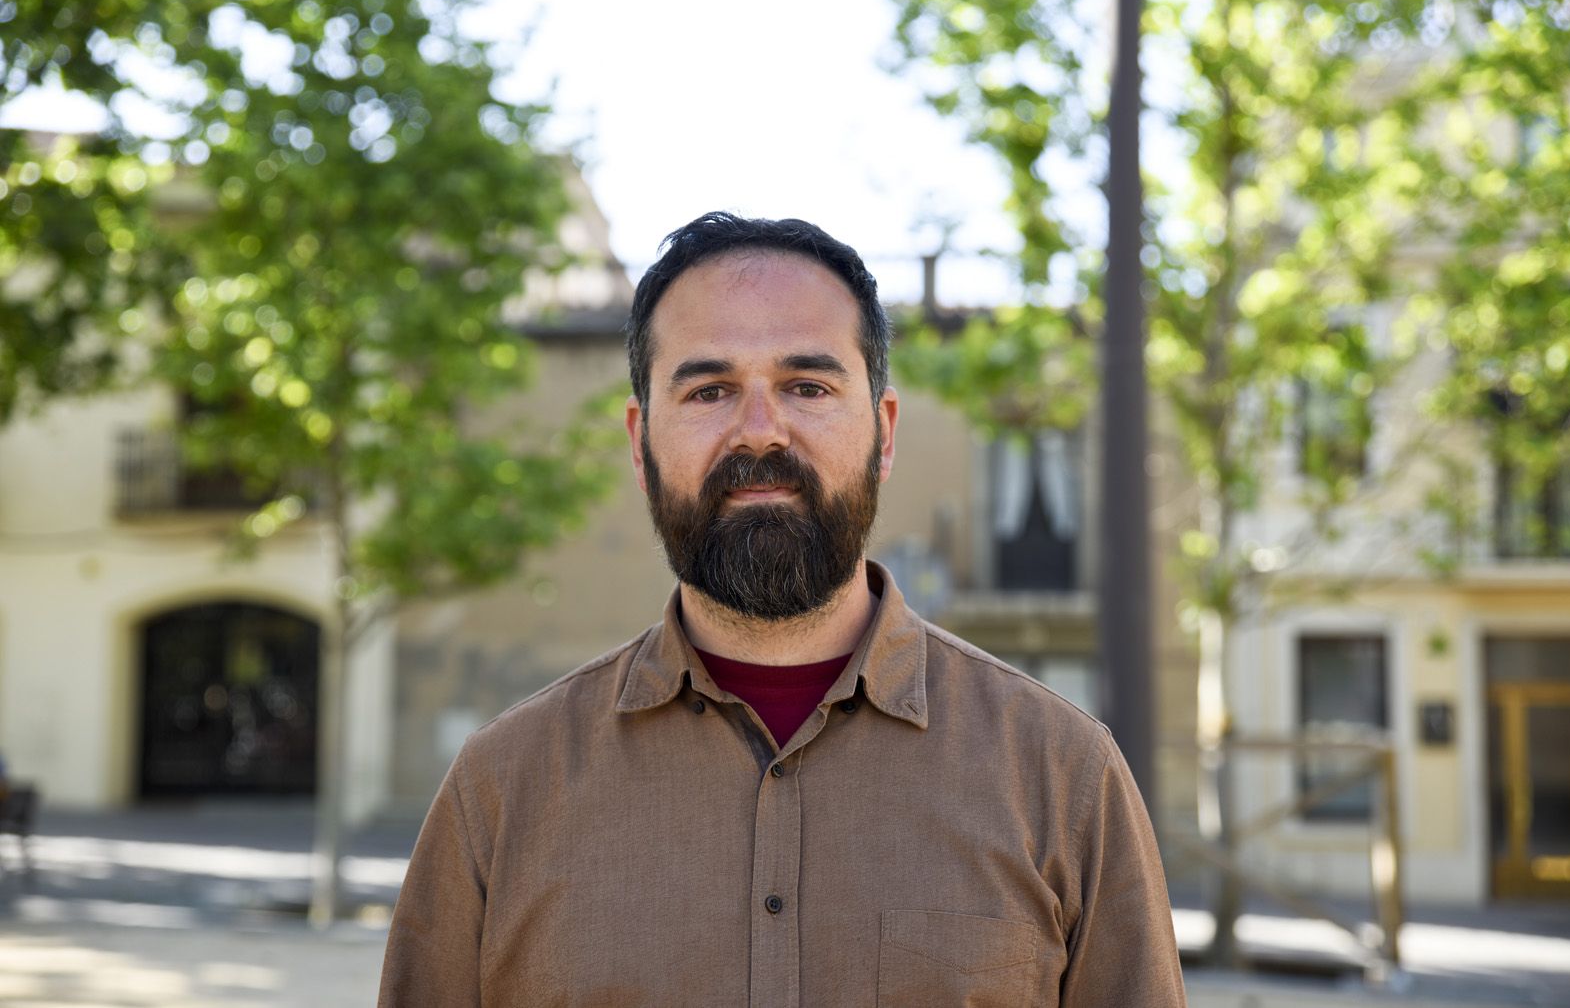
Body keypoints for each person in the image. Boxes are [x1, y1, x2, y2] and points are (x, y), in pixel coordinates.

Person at [378, 212, 1186, 1007]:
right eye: (708, 389)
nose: (760, 433)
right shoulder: (499, 793)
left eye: (807, 385)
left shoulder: (1065, 777)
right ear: (638, 441)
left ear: (885, 431)